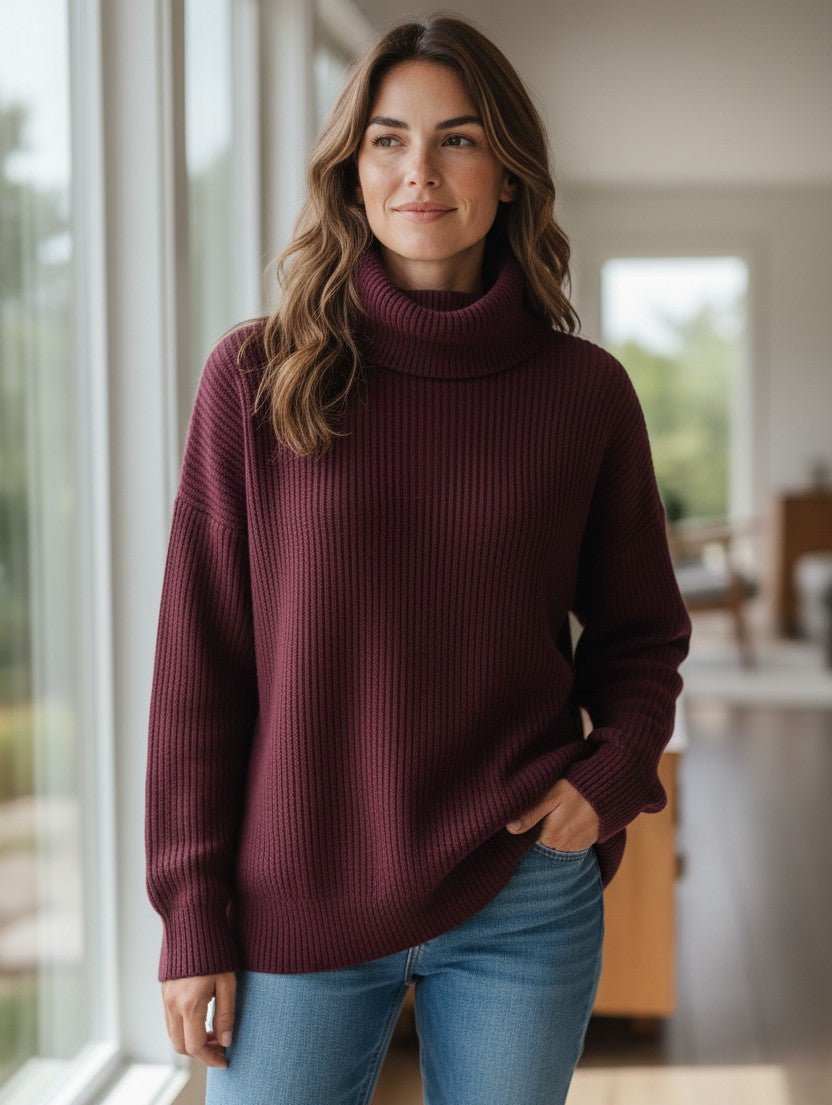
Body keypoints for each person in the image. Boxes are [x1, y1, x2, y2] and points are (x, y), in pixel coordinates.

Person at [144, 13, 692, 1105]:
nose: (420, 172)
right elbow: (198, 670)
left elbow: (641, 635)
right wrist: (190, 912)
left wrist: (608, 776)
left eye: (458, 138)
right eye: (388, 140)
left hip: (520, 899)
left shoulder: (582, 395)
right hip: (295, 899)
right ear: (351, 174)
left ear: (507, 170)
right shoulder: (254, 379)